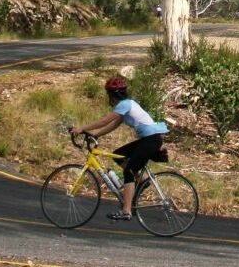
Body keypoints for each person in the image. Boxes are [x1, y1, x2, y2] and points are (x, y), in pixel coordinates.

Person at [71, 75, 169, 221]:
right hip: (150, 138)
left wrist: (82, 128)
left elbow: (105, 120)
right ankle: (140, 181)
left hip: (151, 139)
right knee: (119, 154)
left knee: (129, 170)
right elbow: (113, 125)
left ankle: (126, 211)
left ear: (112, 94)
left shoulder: (124, 105)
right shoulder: (127, 105)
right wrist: (95, 135)